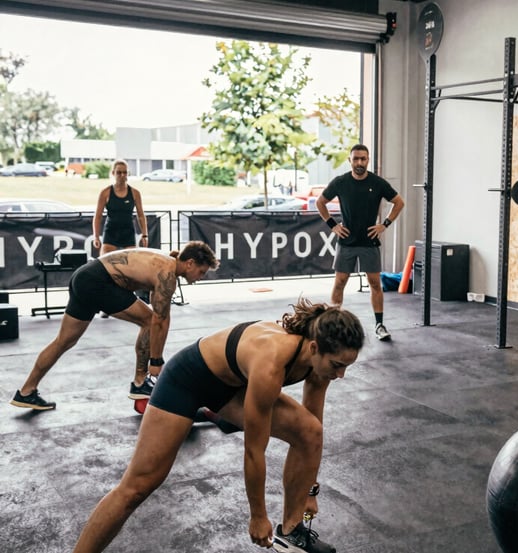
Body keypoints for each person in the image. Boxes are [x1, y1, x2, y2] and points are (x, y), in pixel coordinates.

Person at [72, 299, 365, 553]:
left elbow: (313, 431)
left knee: (310, 431)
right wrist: (258, 515)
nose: (341, 375)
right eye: (337, 365)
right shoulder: (272, 361)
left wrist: (308, 493)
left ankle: (290, 532)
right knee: (137, 487)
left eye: (346, 366)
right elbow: (254, 449)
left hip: (230, 387)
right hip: (186, 381)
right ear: (314, 347)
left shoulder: (320, 364)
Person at [10, 241, 219, 410]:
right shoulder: (167, 274)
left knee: (63, 341)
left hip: (84, 276)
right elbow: (158, 321)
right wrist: (156, 361)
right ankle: (140, 383)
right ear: (190, 263)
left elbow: (162, 317)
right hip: (97, 281)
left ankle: (26, 392)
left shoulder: (164, 263)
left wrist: (157, 356)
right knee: (147, 320)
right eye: (201, 272)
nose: (200, 278)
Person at [316, 144, 405, 341]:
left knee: (375, 283)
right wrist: (333, 225)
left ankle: (379, 325)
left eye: (363, 159)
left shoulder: (378, 183)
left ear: (368, 160)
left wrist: (384, 224)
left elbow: (399, 202)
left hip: (369, 242)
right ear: (350, 160)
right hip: (346, 241)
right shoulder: (340, 182)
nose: (359, 162)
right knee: (340, 282)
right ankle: (333, 327)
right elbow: (320, 202)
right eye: (355, 159)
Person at [92, 159, 149, 316]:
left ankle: (129, 304)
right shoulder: (106, 192)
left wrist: (144, 234)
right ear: (113, 173)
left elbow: (141, 215)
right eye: (119, 172)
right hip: (111, 232)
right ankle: (105, 306)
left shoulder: (134, 193)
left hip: (128, 232)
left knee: (132, 269)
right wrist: (96, 236)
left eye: (125, 172)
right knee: (105, 268)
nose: (122, 175)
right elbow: (97, 216)